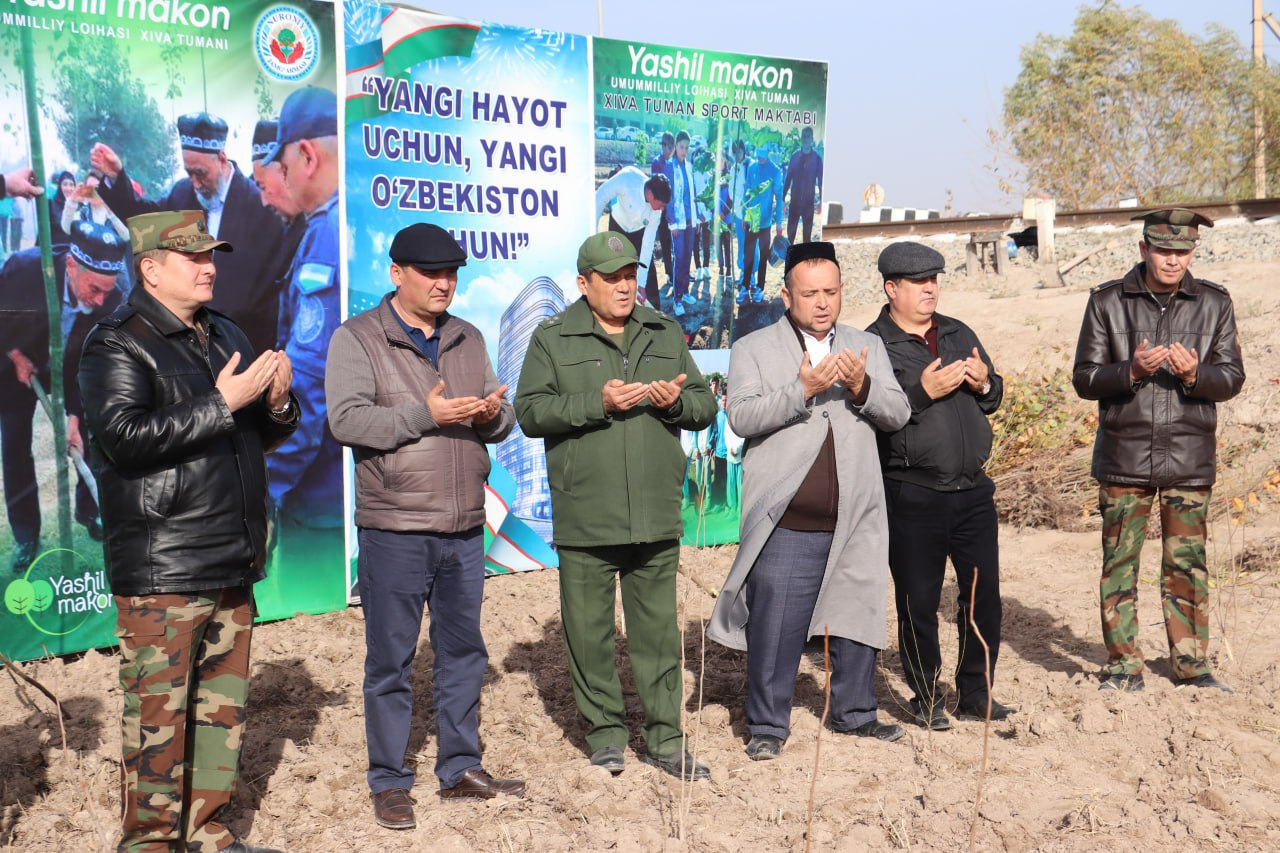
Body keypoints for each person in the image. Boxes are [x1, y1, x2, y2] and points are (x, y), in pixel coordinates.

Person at [79, 210, 297, 853]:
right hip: (163, 566)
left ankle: (208, 835)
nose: (209, 267)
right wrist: (223, 404)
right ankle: (149, 843)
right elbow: (124, 441)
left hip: (230, 558)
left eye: (212, 255)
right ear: (149, 269)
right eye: (192, 257)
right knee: (157, 720)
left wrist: (277, 402)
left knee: (219, 717)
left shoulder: (225, 329)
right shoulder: (115, 342)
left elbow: (260, 431)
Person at [326, 223, 524, 828]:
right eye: (431, 273)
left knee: (463, 652)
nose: (445, 284)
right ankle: (389, 780)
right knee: (390, 660)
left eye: (452, 273)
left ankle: (460, 766)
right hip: (396, 526)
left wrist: (493, 415)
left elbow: (503, 415)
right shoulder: (357, 338)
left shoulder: (467, 337)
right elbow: (347, 421)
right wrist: (426, 414)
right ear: (396, 275)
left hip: (464, 524)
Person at [515, 232, 716, 780]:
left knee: (656, 637)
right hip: (586, 515)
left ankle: (667, 741)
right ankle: (605, 735)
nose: (625, 285)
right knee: (589, 635)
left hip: (654, 514)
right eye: (611, 277)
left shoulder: (665, 331)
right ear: (584, 284)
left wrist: (678, 404)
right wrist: (594, 403)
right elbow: (529, 412)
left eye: (630, 274)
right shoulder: (553, 337)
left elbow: (703, 405)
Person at [708, 241, 910, 760]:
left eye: (831, 292)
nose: (822, 302)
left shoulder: (867, 345)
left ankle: (855, 713)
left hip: (855, 513)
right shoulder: (754, 347)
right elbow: (742, 418)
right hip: (788, 519)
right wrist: (799, 390)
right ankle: (768, 727)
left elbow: (898, 412)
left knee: (855, 617)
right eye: (809, 293)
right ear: (786, 296)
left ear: (843, 291)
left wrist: (863, 386)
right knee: (775, 624)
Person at [1073, 208, 1245, 694]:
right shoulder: (1107, 301)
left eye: (1183, 251)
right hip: (1124, 457)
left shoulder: (1215, 303)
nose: (1173, 260)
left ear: (1193, 251)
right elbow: (1084, 377)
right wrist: (1131, 370)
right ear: (1144, 249)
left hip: (1189, 459)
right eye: (1163, 250)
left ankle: (1192, 666)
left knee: (1187, 566)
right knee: (1119, 565)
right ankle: (1123, 666)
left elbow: (1231, 378)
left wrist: (1194, 375)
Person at [867, 241, 1011, 730]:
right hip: (913, 492)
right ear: (892, 288)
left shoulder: (956, 331)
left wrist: (985, 383)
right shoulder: (872, 345)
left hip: (972, 491)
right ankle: (926, 696)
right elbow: (872, 417)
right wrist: (920, 393)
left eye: (935, 279)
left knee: (981, 598)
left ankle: (976, 692)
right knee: (918, 600)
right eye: (919, 281)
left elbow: (994, 396)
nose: (931, 288)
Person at [90, 111, 288, 354]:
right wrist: (117, 177)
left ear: (223, 160)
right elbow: (145, 220)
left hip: (247, 346)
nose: (195, 182)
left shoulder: (261, 204)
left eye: (201, 173)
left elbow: (271, 290)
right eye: (189, 173)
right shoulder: (183, 195)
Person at [1, 219, 125, 571]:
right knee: (14, 446)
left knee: (91, 431)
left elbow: (89, 363)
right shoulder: (26, 270)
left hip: (69, 365)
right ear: (71, 265)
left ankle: (90, 510)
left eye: (106, 291)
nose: (100, 299)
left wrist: (74, 416)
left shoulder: (109, 300)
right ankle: (26, 534)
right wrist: (13, 354)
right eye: (94, 288)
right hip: (14, 365)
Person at [260, 87, 344, 592]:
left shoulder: (326, 236)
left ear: (307, 156)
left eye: (284, 167)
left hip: (320, 494)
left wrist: (268, 487)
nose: (283, 179)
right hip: (353, 483)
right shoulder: (354, 221)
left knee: (316, 648)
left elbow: (310, 385)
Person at [594, 166, 670, 308]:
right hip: (618, 227)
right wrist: (593, 236)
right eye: (661, 205)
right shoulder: (628, 179)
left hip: (638, 232)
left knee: (649, 278)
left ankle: (655, 318)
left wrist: (641, 283)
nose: (662, 209)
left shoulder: (656, 213)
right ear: (651, 195)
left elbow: (647, 245)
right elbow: (599, 198)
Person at [739, 143, 783, 305]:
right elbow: (746, 193)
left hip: (765, 222)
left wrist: (778, 223)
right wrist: (744, 215)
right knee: (748, 254)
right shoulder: (752, 168)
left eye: (763, 154)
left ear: (769, 152)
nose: (760, 157)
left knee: (763, 255)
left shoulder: (776, 171)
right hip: (751, 219)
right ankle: (745, 287)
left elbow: (779, 199)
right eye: (758, 154)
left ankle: (759, 288)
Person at [666, 131, 700, 317]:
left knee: (687, 257)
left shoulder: (689, 166)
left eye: (687, 148)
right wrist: (672, 223)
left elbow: (692, 194)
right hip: (678, 224)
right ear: (676, 146)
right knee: (679, 259)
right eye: (681, 147)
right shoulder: (670, 167)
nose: (684, 151)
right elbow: (668, 198)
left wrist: (697, 218)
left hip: (690, 221)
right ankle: (677, 298)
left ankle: (685, 291)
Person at [783, 127, 824, 245]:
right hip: (794, 203)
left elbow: (821, 182)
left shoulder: (817, 159)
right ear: (801, 139)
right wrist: (782, 198)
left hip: (808, 204)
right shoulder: (795, 157)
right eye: (804, 136)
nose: (806, 139)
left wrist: (821, 201)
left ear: (812, 139)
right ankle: (789, 261)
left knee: (807, 238)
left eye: (808, 136)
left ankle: (804, 261)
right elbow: (788, 179)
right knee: (790, 236)